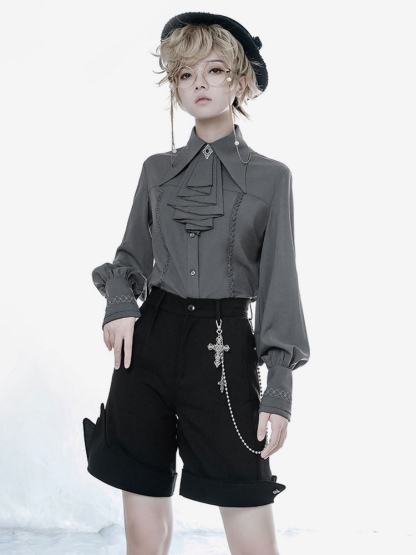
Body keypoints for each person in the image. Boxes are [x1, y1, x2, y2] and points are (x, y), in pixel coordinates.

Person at [83, 12, 310, 555]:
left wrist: (278, 387)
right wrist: (121, 305)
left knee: (249, 517)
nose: (199, 83)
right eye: (185, 74)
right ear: (175, 86)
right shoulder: (155, 171)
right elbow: (130, 257)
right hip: (148, 346)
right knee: (143, 529)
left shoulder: (271, 178)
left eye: (214, 70)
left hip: (224, 348)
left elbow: (280, 283)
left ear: (240, 80)